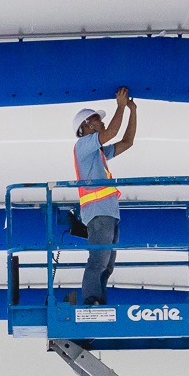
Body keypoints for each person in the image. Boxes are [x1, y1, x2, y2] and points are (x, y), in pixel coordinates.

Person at [72, 88, 137, 304]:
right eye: (97, 119)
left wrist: (132, 111)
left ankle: (99, 300)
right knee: (99, 260)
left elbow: (127, 143)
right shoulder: (83, 145)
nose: (100, 122)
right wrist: (120, 106)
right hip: (98, 212)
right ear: (86, 126)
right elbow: (111, 133)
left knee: (107, 264)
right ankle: (91, 300)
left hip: (108, 211)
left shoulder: (97, 153)